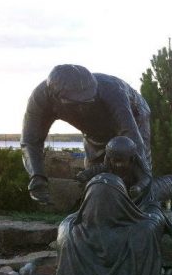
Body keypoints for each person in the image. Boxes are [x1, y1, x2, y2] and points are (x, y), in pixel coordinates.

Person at [21, 64, 152, 203]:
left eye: (89, 100)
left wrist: (143, 176)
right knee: (95, 177)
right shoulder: (40, 99)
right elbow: (30, 140)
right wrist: (37, 177)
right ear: (57, 98)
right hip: (93, 132)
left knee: (133, 167)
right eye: (78, 103)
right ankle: (96, 211)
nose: (85, 106)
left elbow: (130, 132)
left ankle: (143, 208)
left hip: (134, 117)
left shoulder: (112, 90)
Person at [75, 136, 172, 210]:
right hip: (123, 194)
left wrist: (139, 187)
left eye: (121, 161)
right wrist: (86, 173)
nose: (116, 164)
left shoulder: (136, 165)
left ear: (131, 159)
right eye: (114, 160)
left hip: (141, 195)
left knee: (170, 186)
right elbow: (101, 168)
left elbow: (146, 179)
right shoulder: (110, 160)